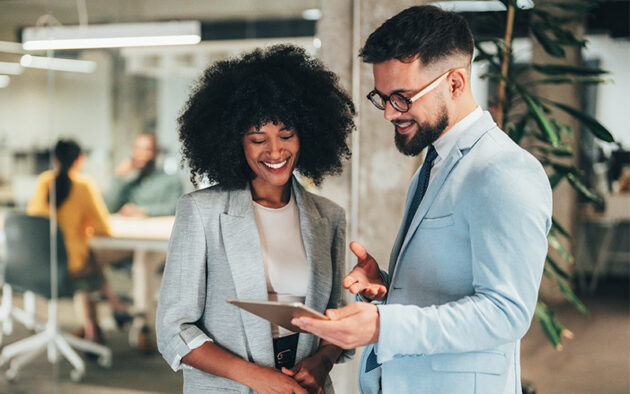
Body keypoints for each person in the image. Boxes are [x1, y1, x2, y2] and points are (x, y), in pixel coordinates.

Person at [292, 6, 553, 394]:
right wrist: (389, 288)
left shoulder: (503, 171)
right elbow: (449, 287)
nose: (389, 114)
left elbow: (506, 313)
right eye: (383, 98)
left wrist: (382, 326)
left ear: (455, 84)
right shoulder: (432, 164)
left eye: (403, 97)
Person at [156, 44, 356, 393]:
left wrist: (321, 362)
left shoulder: (328, 217)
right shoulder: (201, 213)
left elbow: (334, 316)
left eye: (287, 135)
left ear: (306, 133)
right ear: (236, 142)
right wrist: (256, 377)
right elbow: (174, 328)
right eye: (258, 139)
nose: (275, 152)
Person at [27, 139, 131, 343]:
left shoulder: (43, 181)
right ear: (80, 159)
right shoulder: (83, 185)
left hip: (39, 263)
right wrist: (84, 229)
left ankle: (94, 326)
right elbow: (103, 228)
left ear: (54, 158)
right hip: (69, 266)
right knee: (91, 264)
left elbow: (34, 219)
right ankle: (113, 310)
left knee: (91, 261)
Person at [106, 132, 183, 217]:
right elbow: (110, 209)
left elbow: (175, 208)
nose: (141, 153)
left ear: (156, 153)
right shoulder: (131, 185)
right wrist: (118, 176)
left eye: (147, 149)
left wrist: (143, 211)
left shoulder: (171, 180)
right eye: (137, 149)